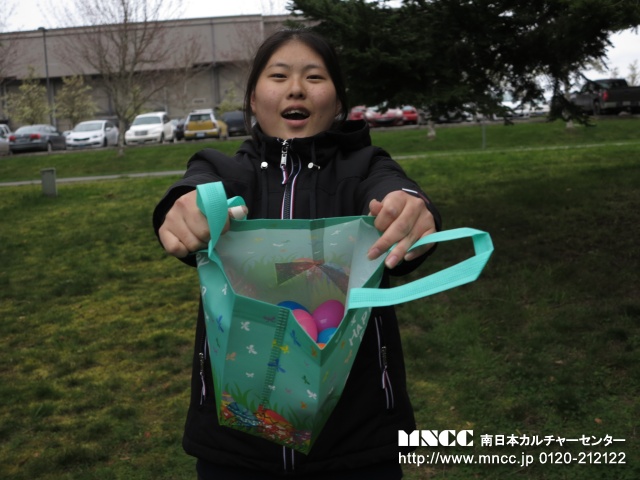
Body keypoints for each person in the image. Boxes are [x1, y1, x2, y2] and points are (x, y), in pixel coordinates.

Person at [153, 28, 442, 479]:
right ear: (253, 99)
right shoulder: (221, 169)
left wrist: (409, 208)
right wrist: (186, 208)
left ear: (338, 101)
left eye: (314, 76)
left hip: (358, 441)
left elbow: (393, 189)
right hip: (236, 448)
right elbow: (194, 190)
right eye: (279, 75)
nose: (296, 89)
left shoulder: (366, 167)